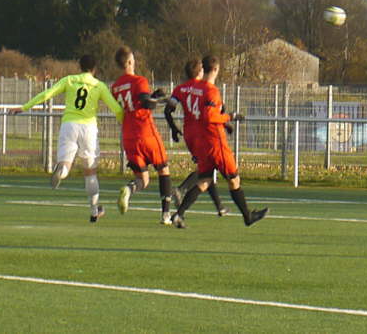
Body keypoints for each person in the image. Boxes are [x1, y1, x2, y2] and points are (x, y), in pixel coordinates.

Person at [9, 55, 124, 223]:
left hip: (69, 125)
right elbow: (116, 108)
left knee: (66, 164)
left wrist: (25, 107)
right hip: (88, 128)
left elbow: (47, 94)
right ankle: (94, 210)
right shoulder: (98, 85)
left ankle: (62, 172)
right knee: (90, 171)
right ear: (94, 69)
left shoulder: (69, 80)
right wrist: (125, 123)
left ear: (80, 67)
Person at [171, 55, 268, 229]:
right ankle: (248, 216)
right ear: (215, 69)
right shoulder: (211, 90)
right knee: (234, 180)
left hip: (202, 142)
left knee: (205, 181)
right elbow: (209, 116)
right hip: (215, 141)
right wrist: (230, 116)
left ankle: (179, 214)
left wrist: (225, 122)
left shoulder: (195, 87)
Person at [112, 46, 174, 225]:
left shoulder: (115, 87)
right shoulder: (139, 80)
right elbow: (146, 103)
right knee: (163, 169)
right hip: (146, 132)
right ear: (130, 62)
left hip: (128, 137)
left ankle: (129, 190)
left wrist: (153, 96)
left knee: (143, 179)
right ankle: (165, 215)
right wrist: (162, 99)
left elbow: (137, 102)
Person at [164, 57, 228, 216]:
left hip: (189, 134)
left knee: (206, 169)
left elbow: (168, 110)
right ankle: (182, 189)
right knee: (205, 169)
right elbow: (218, 111)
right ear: (200, 71)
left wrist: (173, 129)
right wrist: (226, 121)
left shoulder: (181, 89)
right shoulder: (204, 88)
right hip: (204, 133)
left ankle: (219, 206)